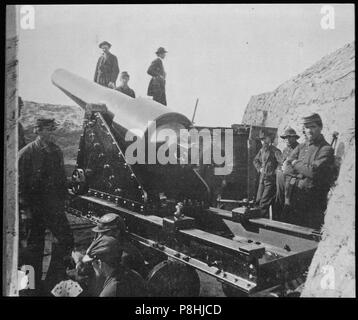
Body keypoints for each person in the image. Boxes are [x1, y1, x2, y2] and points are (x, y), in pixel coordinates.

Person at [18, 118, 74, 294]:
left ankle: (54, 279)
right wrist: (25, 210)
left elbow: (60, 179)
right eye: (48, 129)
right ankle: (29, 287)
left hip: (53, 207)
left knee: (66, 240)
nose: (52, 133)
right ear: (38, 130)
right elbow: (19, 186)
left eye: (53, 129)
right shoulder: (25, 154)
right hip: (34, 209)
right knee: (33, 249)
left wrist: (66, 195)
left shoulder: (56, 151)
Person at [283, 113, 335, 229]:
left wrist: (295, 163)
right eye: (307, 127)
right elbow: (286, 168)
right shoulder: (301, 147)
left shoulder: (326, 149)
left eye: (313, 127)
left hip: (313, 203)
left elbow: (313, 172)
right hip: (295, 197)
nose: (309, 131)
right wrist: (303, 170)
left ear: (320, 127)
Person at [82, 234, 147, 297]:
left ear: (99, 262)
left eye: (92, 262)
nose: (92, 265)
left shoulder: (110, 291)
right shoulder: (134, 274)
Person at [253, 130, 282, 218]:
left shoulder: (275, 151)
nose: (263, 141)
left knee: (264, 202)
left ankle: (262, 223)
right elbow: (255, 160)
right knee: (258, 200)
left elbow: (281, 163)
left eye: (264, 139)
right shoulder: (262, 150)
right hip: (262, 179)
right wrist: (260, 168)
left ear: (269, 139)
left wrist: (275, 171)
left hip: (271, 180)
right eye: (261, 140)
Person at [275, 127, 300, 220]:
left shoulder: (299, 148)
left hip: (292, 178)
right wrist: (279, 169)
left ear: (295, 138)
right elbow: (281, 162)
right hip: (282, 176)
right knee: (279, 196)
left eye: (290, 137)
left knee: (288, 198)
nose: (287, 140)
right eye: (285, 138)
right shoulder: (285, 149)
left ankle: (287, 220)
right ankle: (278, 218)